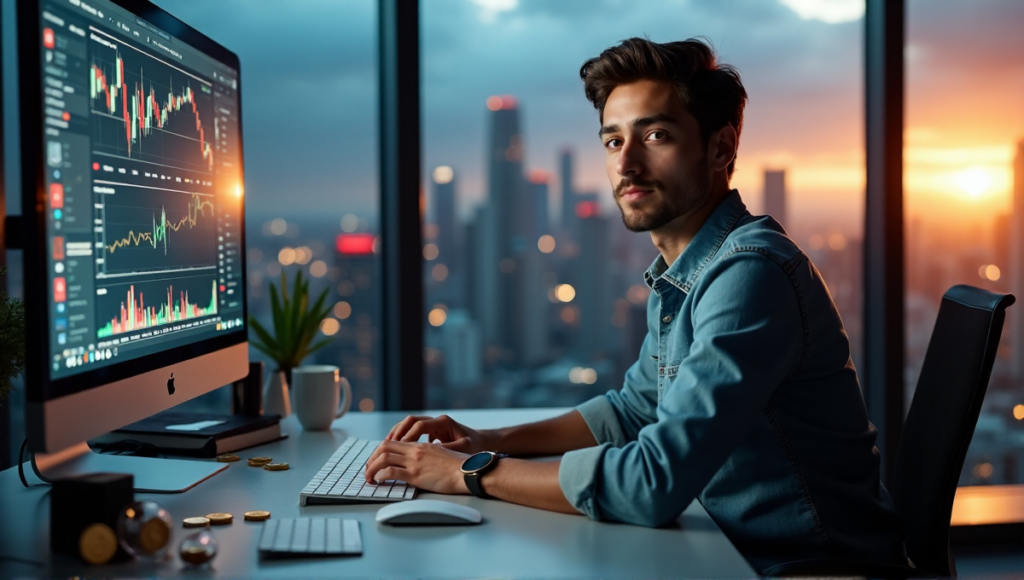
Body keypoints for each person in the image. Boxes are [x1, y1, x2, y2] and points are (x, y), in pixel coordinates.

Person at [365, 37, 906, 572]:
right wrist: (486, 440)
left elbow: (654, 482)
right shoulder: (686, 272)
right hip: (730, 553)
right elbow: (633, 410)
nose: (627, 164)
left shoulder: (750, 275)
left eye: (655, 135)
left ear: (721, 148)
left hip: (807, 567)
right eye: (613, 141)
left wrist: (473, 471)